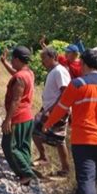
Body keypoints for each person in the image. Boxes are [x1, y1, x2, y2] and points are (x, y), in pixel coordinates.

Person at [43, 49, 97, 194]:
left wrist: (48, 124)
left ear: (83, 64)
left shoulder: (77, 84)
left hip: (85, 139)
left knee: (86, 180)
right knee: (90, 174)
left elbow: (61, 109)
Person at [32, 47, 71, 177]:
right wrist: (44, 109)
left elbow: (65, 93)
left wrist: (52, 110)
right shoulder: (53, 71)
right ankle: (44, 157)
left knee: (59, 140)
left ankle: (65, 169)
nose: (42, 61)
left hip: (58, 111)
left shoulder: (60, 71)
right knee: (35, 131)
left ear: (53, 57)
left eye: (44, 58)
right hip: (50, 109)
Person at [0, 46, 36, 185]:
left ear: (16, 59)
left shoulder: (20, 77)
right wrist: (4, 62)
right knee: (23, 146)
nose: (12, 62)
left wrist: (8, 120)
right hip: (27, 116)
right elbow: (15, 73)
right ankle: (25, 171)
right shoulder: (28, 73)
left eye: (12, 59)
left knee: (9, 146)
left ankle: (27, 173)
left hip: (18, 116)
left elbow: (16, 100)